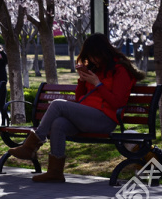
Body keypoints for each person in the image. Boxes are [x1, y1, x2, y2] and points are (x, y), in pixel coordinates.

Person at [7, 33, 145, 183]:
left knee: (57, 104)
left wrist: (98, 83)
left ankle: (30, 146)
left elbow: (118, 102)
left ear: (104, 52)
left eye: (94, 56)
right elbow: (81, 99)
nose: (92, 60)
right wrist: (82, 80)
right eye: (90, 57)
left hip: (105, 120)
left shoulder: (120, 70)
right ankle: (55, 172)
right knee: (58, 123)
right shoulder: (95, 69)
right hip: (87, 118)